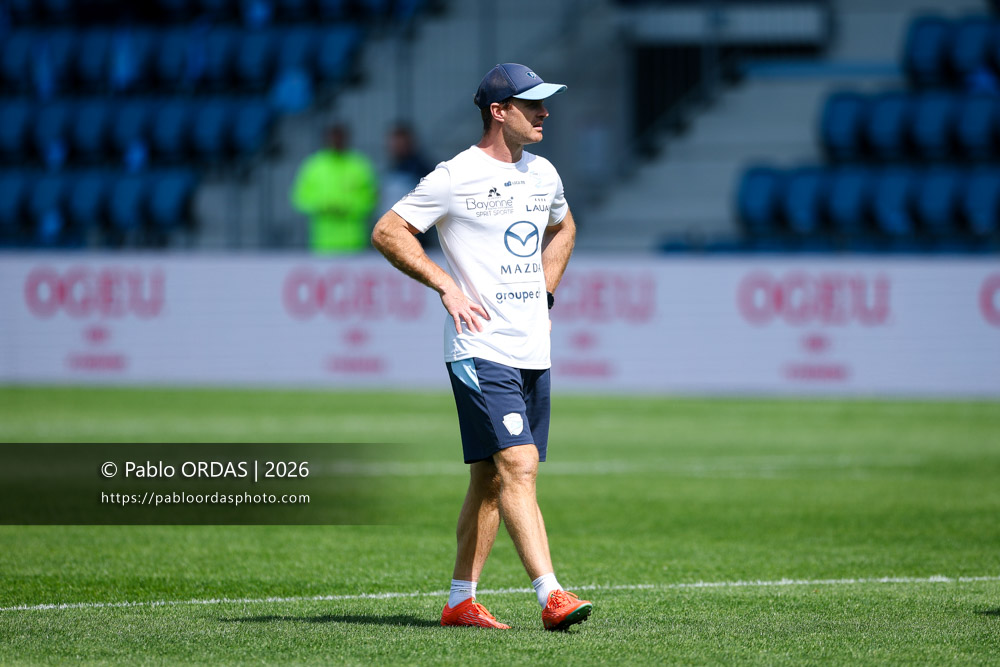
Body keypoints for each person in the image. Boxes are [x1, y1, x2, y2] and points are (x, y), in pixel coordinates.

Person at [371, 63, 592, 631]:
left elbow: (564, 229)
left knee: (490, 479)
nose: (545, 112)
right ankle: (552, 596)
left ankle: (459, 601)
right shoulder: (454, 176)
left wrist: (545, 287)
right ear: (499, 111)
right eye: (532, 104)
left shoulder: (544, 173)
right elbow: (389, 231)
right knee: (518, 464)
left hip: (532, 348)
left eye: (545, 103)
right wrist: (445, 285)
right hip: (479, 347)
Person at [290, 123, 377, 253]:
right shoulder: (314, 166)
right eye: (333, 138)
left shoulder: (360, 165)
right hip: (322, 241)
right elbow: (299, 198)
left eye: (339, 137)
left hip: (354, 240)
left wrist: (347, 208)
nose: (336, 141)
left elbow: (371, 198)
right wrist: (323, 207)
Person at [377, 122, 437, 248]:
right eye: (393, 143)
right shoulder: (393, 167)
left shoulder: (422, 170)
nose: (395, 147)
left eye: (399, 143)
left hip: (416, 237)